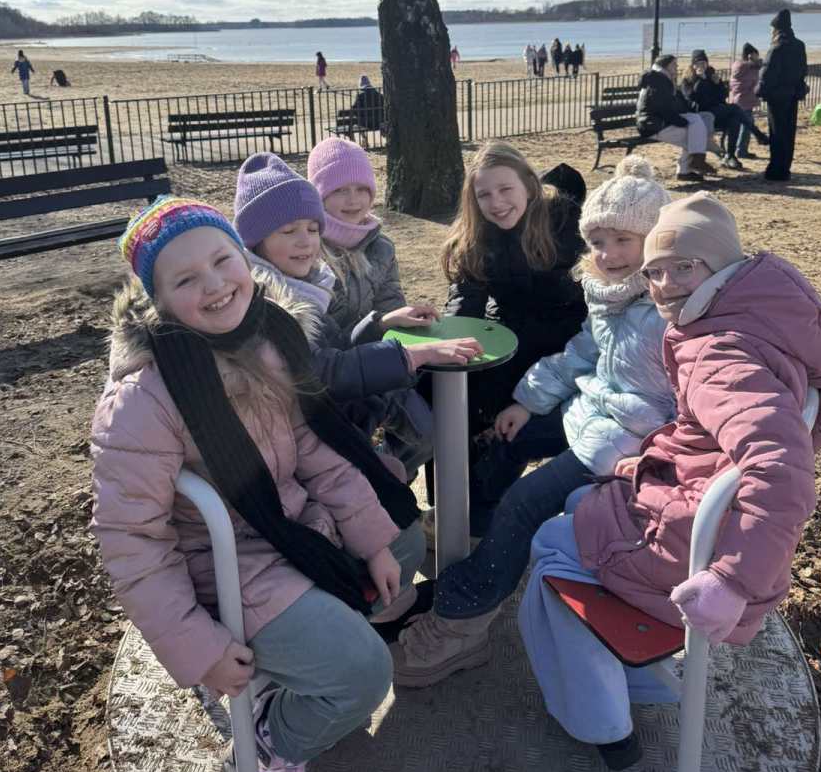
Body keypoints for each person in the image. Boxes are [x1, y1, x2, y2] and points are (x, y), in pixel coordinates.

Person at [91, 196, 429, 772]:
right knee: (362, 672)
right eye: (186, 279)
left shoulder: (265, 339)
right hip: (224, 564)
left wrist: (373, 539)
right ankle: (268, 744)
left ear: (244, 259)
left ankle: (300, 673)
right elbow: (132, 543)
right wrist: (202, 651)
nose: (215, 284)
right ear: (157, 300)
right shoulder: (144, 398)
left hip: (289, 527)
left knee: (402, 542)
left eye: (223, 260)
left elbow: (312, 445)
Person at [518, 192, 821, 771]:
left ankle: (603, 721)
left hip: (699, 544)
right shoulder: (774, 311)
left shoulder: (718, 353)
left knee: (550, 546)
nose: (666, 285)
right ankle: (638, 675)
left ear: (719, 265)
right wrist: (793, 437)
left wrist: (731, 578)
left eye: (683, 267)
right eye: (654, 271)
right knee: (579, 499)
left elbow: (777, 467)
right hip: (698, 500)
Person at [391, 157, 676, 688]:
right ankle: (476, 524)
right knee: (507, 434)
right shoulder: (612, 295)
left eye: (623, 241)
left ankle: (462, 622)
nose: (608, 254)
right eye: (599, 242)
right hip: (590, 409)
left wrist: (670, 450)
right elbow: (582, 353)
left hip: (630, 439)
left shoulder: (673, 311)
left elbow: (692, 394)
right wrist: (525, 402)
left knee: (525, 503)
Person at [234, 152, 481, 477]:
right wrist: (411, 356)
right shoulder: (270, 302)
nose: (305, 242)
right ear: (257, 241)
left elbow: (337, 345)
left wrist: (380, 323)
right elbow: (323, 370)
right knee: (408, 448)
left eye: (312, 229)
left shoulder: (306, 285)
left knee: (425, 432)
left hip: (342, 405)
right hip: (307, 438)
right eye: (289, 231)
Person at [438, 142, 588, 531]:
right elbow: (465, 302)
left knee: (512, 426)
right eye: (484, 194)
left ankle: (483, 509)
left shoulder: (563, 221)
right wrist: (449, 347)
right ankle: (451, 506)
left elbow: (593, 287)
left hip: (564, 343)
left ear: (529, 185)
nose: (497, 203)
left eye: (505, 189)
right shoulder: (476, 237)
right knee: (453, 391)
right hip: (509, 337)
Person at [308, 136, 438, 477]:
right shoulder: (309, 252)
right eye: (340, 190)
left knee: (427, 435)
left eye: (361, 189)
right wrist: (381, 323)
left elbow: (391, 302)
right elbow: (325, 341)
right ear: (319, 195)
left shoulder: (381, 248)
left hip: (380, 361)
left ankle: (391, 480)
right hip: (335, 378)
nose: (353, 200)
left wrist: (405, 320)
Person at [636, 53, 716, 182]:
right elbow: (663, 108)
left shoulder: (663, 79)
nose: (677, 66)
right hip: (652, 126)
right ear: (666, 66)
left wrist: (685, 116)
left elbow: (675, 104)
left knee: (695, 124)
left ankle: (696, 162)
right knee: (694, 134)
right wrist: (681, 121)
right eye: (674, 64)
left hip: (656, 122)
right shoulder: (659, 82)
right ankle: (689, 168)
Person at [757, 9, 808, 182]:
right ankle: (785, 168)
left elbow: (768, 74)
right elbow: (803, 70)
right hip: (793, 94)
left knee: (777, 132)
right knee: (788, 132)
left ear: (776, 29)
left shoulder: (777, 48)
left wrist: (760, 91)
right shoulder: (799, 45)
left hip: (777, 96)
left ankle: (776, 169)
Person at [681, 51, 745, 170]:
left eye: (704, 63)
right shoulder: (687, 80)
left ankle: (730, 155)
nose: (702, 66)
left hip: (716, 114)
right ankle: (724, 154)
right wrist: (700, 79)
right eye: (698, 63)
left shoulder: (711, 76)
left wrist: (718, 84)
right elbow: (692, 97)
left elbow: (723, 96)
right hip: (700, 117)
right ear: (693, 65)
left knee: (734, 120)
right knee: (735, 110)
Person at [729, 43, 769, 159]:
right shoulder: (747, 67)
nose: (758, 57)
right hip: (744, 100)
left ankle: (741, 149)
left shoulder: (738, 66)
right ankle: (741, 150)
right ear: (750, 55)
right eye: (756, 55)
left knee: (744, 125)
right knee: (747, 126)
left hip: (738, 99)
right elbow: (758, 70)